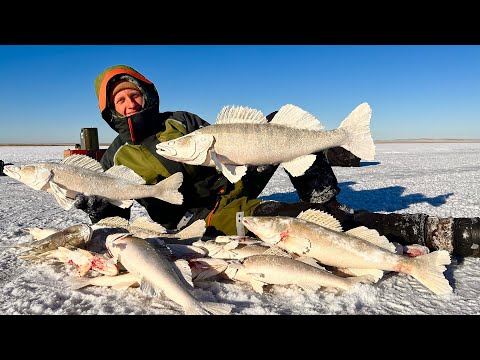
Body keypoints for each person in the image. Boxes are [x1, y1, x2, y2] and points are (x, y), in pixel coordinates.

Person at [74, 64, 480, 258]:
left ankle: (325, 201)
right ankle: (430, 231)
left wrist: (233, 162)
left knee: (274, 128)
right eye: (119, 100)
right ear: (109, 110)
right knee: (314, 224)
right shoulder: (116, 155)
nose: (129, 104)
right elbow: (114, 205)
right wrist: (94, 203)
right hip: (213, 219)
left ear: (147, 93)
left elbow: (224, 137)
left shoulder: (182, 121)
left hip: (234, 181)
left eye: (134, 95)